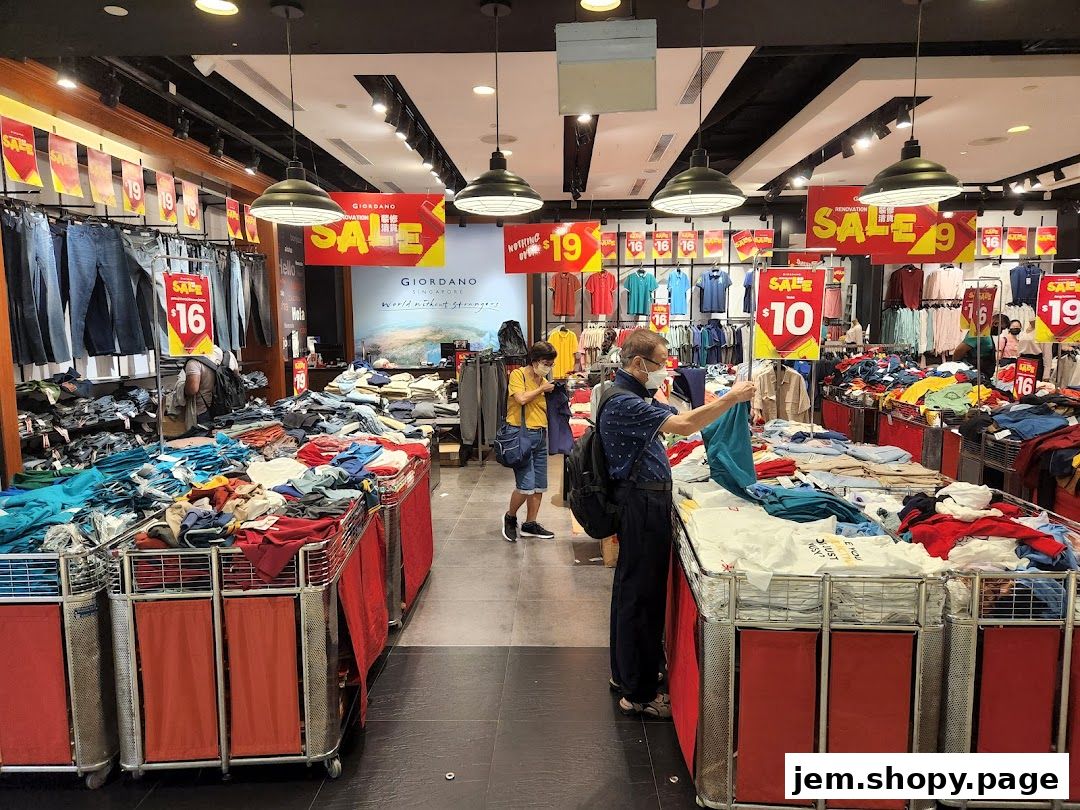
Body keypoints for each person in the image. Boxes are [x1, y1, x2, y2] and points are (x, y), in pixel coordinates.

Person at [599, 330, 754, 718]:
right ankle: (638, 693)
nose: (664, 369)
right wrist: (731, 398)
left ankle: (628, 675)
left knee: (632, 593)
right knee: (642, 598)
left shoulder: (626, 396)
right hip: (641, 504)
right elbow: (684, 425)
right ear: (638, 364)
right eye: (660, 362)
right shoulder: (625, 403)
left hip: (642, 500)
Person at [502, 341, 558, 543]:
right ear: (534, 361)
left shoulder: (543, 378)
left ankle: (530, 524)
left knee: (539, 485)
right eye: (545, 362)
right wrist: (542, 388)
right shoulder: (518, 375)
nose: (548, 367)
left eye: (551, 364)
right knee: (526, 485)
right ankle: (510, 517)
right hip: (521, 435)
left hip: (541, 435)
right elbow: (521, 399)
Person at [183, 343, 239, 429]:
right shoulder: (229, 355)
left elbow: (192, 390)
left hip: (203, 410)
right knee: (225, 439)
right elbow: (236, 378)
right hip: (227, 407)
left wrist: (182, 386)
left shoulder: (194, 362)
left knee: (205, 440)